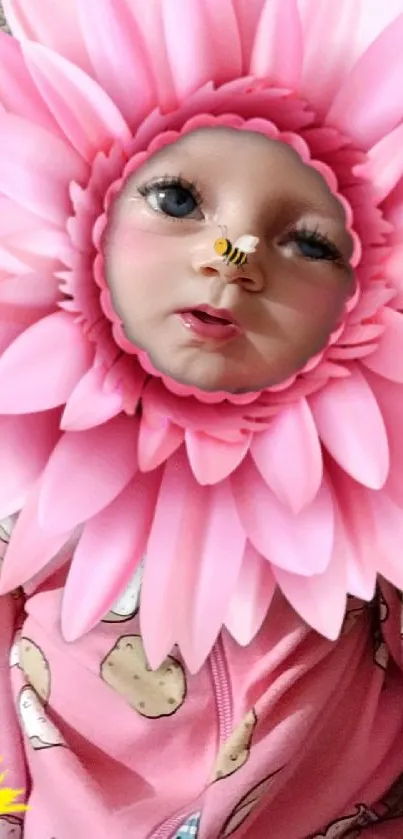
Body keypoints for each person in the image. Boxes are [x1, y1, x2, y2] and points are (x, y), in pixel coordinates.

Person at [0, 1, 403, 837]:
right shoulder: (30, 439)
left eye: (310, 244)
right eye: (178, 197)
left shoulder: (369, 475)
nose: (233, 259)